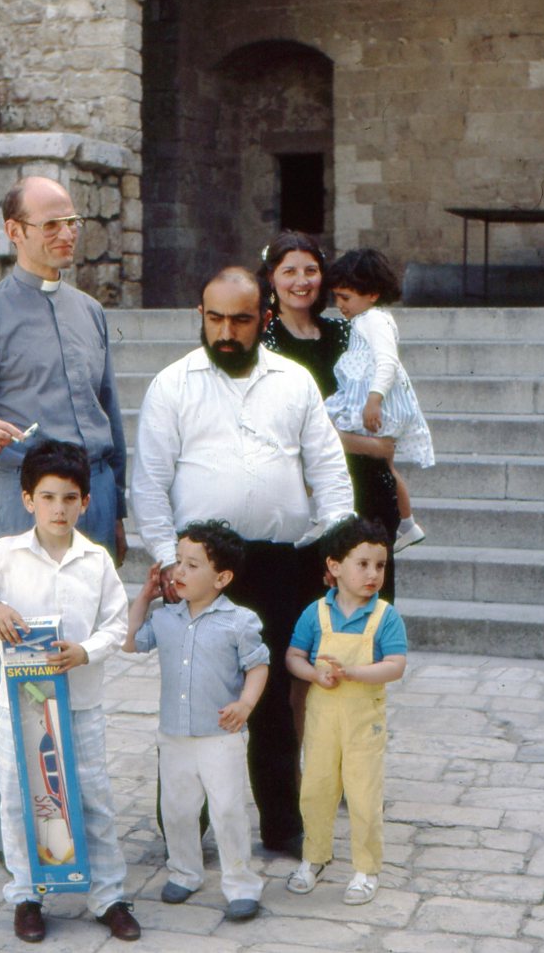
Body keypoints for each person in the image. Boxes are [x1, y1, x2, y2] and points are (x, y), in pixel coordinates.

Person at [130, 266, 353, 857]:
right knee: (194, 696)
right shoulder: (171, 385)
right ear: (200, 316)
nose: (226, 331)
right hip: (198, 572)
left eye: (241, 319)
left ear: (266, 319)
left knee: (277, 696)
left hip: (283, 565)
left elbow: (330, 472)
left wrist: (333, 549)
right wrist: (168, 566)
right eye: (215, 318)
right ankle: (184, 825)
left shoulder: (296, 381)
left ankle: (282, 824)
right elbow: (149, 485)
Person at [0, 176, 129, 864]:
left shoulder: (87, 311)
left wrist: (120, 509)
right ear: (14, 231)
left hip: (94, 497)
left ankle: (71, 815)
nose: (65, 234)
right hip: (24, 502)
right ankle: (12, 833)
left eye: (71, 222)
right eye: (49, 224)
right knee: (14, 657)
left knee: (78, 650)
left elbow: (113, 409)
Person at [0, 440, 140, 944]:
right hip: (21, 702)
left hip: (80, 701)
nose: (59, 508)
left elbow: (117, 625)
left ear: (85, 503)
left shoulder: (96, 561)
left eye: (70, 498)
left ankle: (108, 896)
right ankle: (27, 894)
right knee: (18, 796)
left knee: (92, 794)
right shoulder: (6, 553)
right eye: (48, 497)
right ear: (29, 499)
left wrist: (87, 650)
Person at [124, 520, 269, 922]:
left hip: (220, 735)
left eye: (192, 565)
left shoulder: (240, 621)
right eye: (178, 563)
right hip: (174, 734)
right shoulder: (166, 618)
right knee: (177, 808)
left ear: (221, 577)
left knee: (226, 809)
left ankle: (241, 883)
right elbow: (130, 640)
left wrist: (245, 704)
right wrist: (144, 596)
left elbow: (258, 666)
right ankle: (185, 872)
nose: (179, 572)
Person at [258, 230, 399, 600]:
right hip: (306, 492)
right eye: (289, 271)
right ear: (271, 277)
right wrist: (368, 446)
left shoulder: (346, 332)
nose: (301, 281)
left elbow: (384, 396)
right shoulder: (265, 340)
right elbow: (283, 429)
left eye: (311, 270)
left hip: (367, 488)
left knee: (369, 607)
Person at [285, 516, 407, 906]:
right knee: (316, 788)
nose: (373, 574)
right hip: (322, 720)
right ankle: (314, 856)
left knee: (363, 793)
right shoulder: (315, 614)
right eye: (363, 564)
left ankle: (366, 868)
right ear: (334, 567)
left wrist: (353, 672)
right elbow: (293, 657)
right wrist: (314, 675)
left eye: (381, 565)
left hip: (363, 724)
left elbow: (396, 665)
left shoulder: (384, 616)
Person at [324, 248, 435, 553]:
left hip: (379, 404)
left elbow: (387, 361)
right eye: (336, 297)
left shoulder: (374, 321)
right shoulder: (365, 320)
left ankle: (407, 522)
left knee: (382, 465)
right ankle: (407, 523)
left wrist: (374, 399)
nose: (339, 305)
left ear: (371, 294)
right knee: (384, 466)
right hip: (370, 400)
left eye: (345, 297)